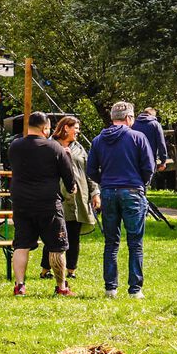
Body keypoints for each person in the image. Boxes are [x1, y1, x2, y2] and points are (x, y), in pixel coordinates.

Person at [87, 100, 155, 299]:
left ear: (112, 118)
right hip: (132, 191)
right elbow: (149, 166)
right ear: (128, 118)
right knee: (135, 242)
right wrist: (141, 182)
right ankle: (135, 289)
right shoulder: (138, 137)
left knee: (111, 242)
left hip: (108, 192)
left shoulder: (98, 140)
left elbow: (91, 170)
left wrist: (104, 181)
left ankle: (110, 288)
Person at [7, 112, 79, 297]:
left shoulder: (15, 146)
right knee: (57, 246)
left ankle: (19, 286)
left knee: (21, 245)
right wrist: (71, 186)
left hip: (21, 203)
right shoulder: (55, 148)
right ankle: (61, 287)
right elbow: (69, 179)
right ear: (45, 128)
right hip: (48, 203)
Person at [54, 115, 101, 281]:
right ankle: (46, 268)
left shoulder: (79, 148)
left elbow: (89, 172)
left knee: (74, 235)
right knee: (56, 235)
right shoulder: (52, 145)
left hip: (79, 197)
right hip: (58, 196)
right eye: (76, 128)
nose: (78, 132)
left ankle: (71, 269)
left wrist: (95, 193)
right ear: (66, 128)